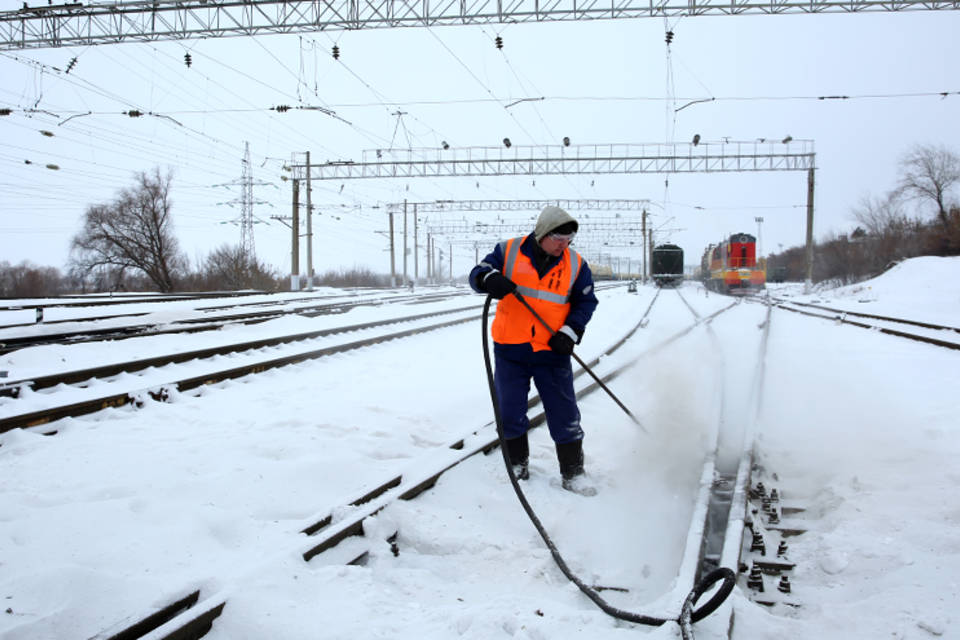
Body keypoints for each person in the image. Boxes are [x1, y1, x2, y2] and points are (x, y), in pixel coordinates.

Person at [470, 205, 600, 495]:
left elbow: (586, 302)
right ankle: (517, 464)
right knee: (509, 411)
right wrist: (488, 278)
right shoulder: (508, 251)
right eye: (558, 239)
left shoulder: (576, 265)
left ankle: (573, 472)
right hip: (510, 350)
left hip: (552, 352)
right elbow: (478, 273)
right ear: (542, 233)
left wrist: (570, 332)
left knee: (565, 413)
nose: (563, 246)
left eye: (568, 240)